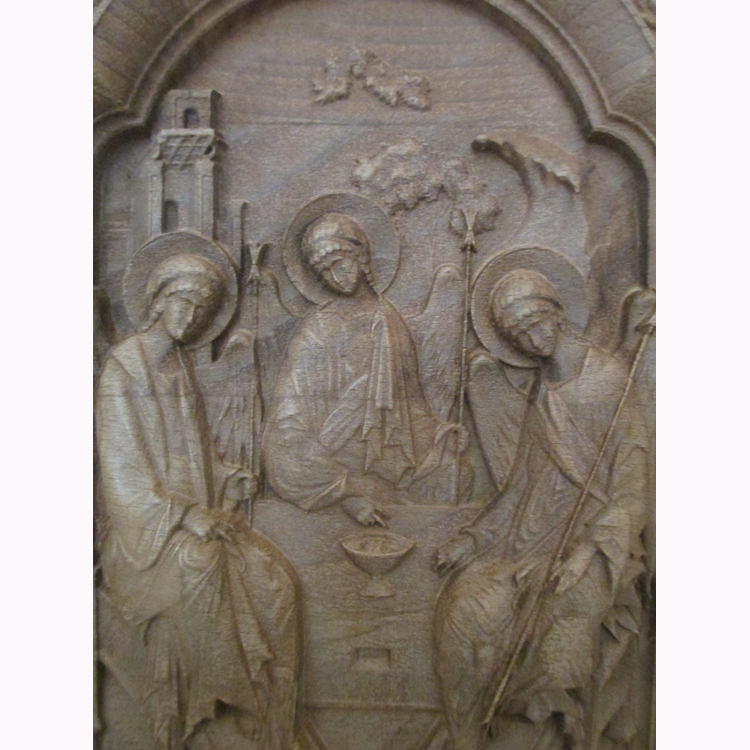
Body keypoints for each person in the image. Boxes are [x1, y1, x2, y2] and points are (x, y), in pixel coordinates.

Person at [433, 264, 649, 750]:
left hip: (599, 546)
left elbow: (633, 489)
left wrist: (586, 552)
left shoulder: (610, 382)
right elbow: (521, 487)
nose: (532, 339)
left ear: (557, 312)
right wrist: (473, 538)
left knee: (560, 623)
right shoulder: (542, 391)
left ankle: (554, 736)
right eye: (519, 335)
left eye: (535, 323)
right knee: (464, 605)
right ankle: (466, 735)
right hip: (534, 540)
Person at [97, 245, 302, 750]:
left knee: (272, 579)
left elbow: (197, 452)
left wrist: (228, 477)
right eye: (183, 302)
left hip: (195, 521)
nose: (191, 316)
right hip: (145, 540)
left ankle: (274, 709)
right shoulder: (124, 370)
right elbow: (123, 471)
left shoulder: (177, 366)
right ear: (157, 302)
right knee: (203, 562)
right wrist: (185, 515)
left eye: (201, 309)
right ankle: (228, 698)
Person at [263, 206, 470, 525]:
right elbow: (289, 415)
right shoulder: (317, 329)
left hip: (388, 450)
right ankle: (345, 491)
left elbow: (411, 404)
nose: (335, 277)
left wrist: (441, 435)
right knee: (285, 458)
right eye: (324, 272)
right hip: (329, 453)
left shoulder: (389, 321)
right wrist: (344, 490)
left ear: (360, 256)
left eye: (339, 263)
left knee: (458, 474)